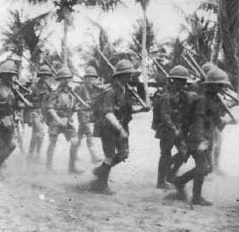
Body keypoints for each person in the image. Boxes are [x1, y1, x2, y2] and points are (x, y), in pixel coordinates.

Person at [171, 68, 231, 206]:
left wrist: (227, 122)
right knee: (203, 167)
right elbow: (198, 121)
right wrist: (200, 142)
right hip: (197, 137)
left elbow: (216, 122)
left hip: (207, 136)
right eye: (219, 84)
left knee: (207, 168)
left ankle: (180, 182)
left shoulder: (215, 100)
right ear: (211, 85)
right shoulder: (202, 100)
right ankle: (196, 197)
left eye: (222, 84)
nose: (221, 87)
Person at [90, 59, 148, 194]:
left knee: (123, 153)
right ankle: (101, 185)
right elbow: (108, 113)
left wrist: (141, 110)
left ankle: (101, 171)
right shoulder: (110, 92)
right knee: (110, 156)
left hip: (120, 127)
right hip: (109, 128)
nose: (129, 77)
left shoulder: (126, 91)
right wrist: (120, 129)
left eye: (130, 75)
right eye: (127, 74)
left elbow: (126, 110)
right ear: (120, 76)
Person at [156, 65, 193, 189]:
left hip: (178, 128)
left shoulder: (182, 94)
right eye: (181, 80)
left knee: (184, 152)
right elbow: (165, 116)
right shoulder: (166, 96)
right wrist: (174, 129)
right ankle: (161, 182)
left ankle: (171, 175)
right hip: (167, 129)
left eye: (184, 80)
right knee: (165, 154)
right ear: (174, 81)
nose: (184, 83)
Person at [45, 68, 82, 173]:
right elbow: (50, 108)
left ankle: (72, 167)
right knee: (52, 143)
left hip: (67, 120)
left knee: (75, 141)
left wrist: (77, 108)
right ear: (60, 80)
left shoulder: (71, 93)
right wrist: (57, 119)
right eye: (64, 78)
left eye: (68, 78)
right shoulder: (55, 93)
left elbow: (72, 107)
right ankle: (48, 167)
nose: (66, 80)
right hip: (56, 121)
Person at [74, 66, 102, 164]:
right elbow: (75, 101)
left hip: (89, 113)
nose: (91, 80)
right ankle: (93, 156)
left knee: (80, 135)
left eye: (93, 78)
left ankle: (74, 153)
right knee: (89, 134)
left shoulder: (95, 89)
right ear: (85, 79)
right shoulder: (80, 88)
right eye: (89, 78)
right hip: (82, 113)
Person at [27, 65, 54, 160]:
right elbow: (27, 100)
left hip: (43, 113)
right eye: (44, 75)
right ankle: (36, 154)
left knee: (35, 134)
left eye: (47, 75)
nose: (46, 77)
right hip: (35, 112)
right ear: (40, 76)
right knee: (41, 133)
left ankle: (31, 154)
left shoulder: (48, 87)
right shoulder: (33, 87)